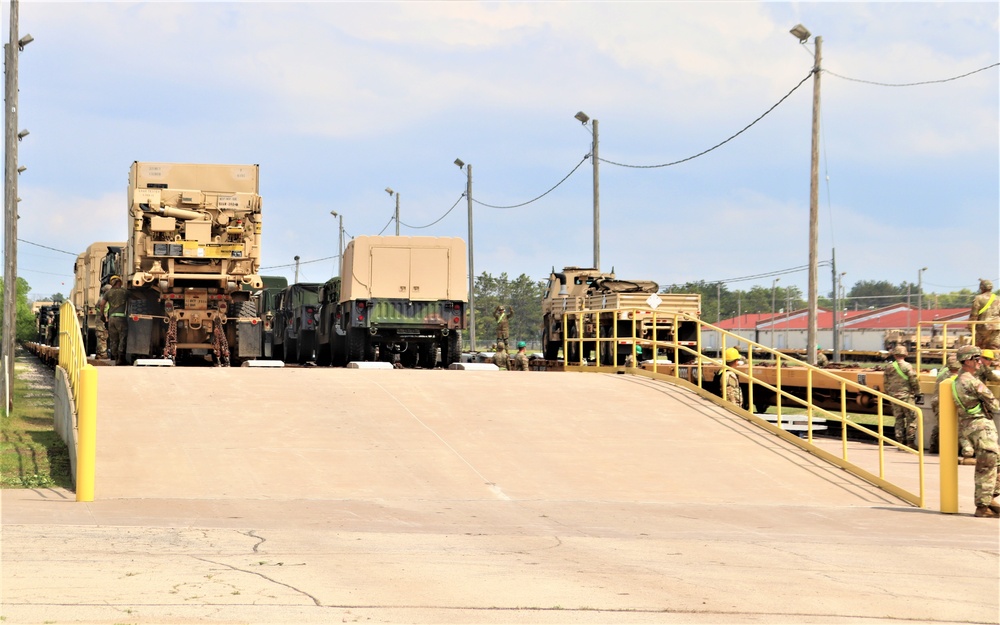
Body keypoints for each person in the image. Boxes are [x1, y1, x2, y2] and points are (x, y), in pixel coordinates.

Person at [951, 345, 1000, 518]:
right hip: (981, 428)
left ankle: (989, 500)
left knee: (992, 465)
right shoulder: (972, 381)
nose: (980, 362)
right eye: (976, 359)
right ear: (967, 361)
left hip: (971, 427)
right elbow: (993, 403)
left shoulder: (957, 380)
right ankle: (983, 506)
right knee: (987, 467)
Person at [929, 356, 971, 456]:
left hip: (937, 402)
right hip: (949, 403)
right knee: (959, 427)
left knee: (941, 425)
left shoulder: (942, 373)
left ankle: (933, 445)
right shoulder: (958, 377)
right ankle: (963, 450)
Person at [883, 345, 921, 448]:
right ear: (905, 354)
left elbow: (886, 383)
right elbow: (913, 379)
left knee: (899, 419)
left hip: (893, 397)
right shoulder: (907, 366)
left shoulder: (889, 367)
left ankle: (899, 441)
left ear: (894, 355)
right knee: (912, 418)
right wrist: (917, 392)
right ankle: (910, 442)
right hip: (906, 396)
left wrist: (889, 393)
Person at [97, 275, 130, 366]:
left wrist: (102, 315)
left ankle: (115, 358)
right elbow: (134, 299)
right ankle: (121, 358)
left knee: (113, 340)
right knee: (122, 338)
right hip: (121, 319)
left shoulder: (108, 293)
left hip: (111, 319)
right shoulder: (125, 292)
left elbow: (102, 305)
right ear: (120, 282)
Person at [971, 278, 1000, 350]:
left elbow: (974, 315)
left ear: (981, 287)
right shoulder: (998, 298)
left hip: (982, 327)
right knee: (995, 348)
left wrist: (970, 327)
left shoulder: (979, 298)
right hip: (996, 327)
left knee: (976, 349)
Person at [95, 284, 111, 359]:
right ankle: (102, 353)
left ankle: (99, 353)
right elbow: (104, 310)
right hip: (102, 320)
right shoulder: (103, 300)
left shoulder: (101, 299)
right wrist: (106, 318)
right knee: (102, 336)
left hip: (100, 320)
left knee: (100, 336)